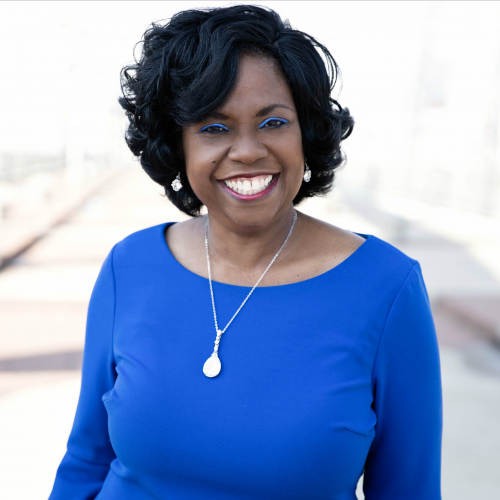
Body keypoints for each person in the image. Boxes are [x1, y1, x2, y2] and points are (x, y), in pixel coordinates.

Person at [49, 5, 442, 499]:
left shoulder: (386, 287)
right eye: (214, 128)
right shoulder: (128, 266)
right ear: (179, 145)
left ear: (306, 133)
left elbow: (411, 489)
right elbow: (87, 459)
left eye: (273, 122)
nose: (248, 151)